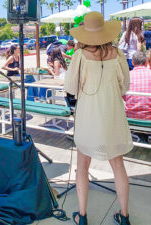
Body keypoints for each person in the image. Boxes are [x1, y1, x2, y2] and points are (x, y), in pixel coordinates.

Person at [64, 12, 133, 225]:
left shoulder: (79, 56)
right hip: (113, 114)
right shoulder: (118, 54)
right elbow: (125, 86)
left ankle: (82, 216)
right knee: (118, 165)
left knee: (82, 165)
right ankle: (124, 216)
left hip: (88, 116)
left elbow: (70, 88)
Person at [124, 51, 151, 121]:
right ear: (146, 62)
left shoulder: (126, 76)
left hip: (131, 118)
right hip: (149, 119)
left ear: (132, 63)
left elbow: (123, 96)